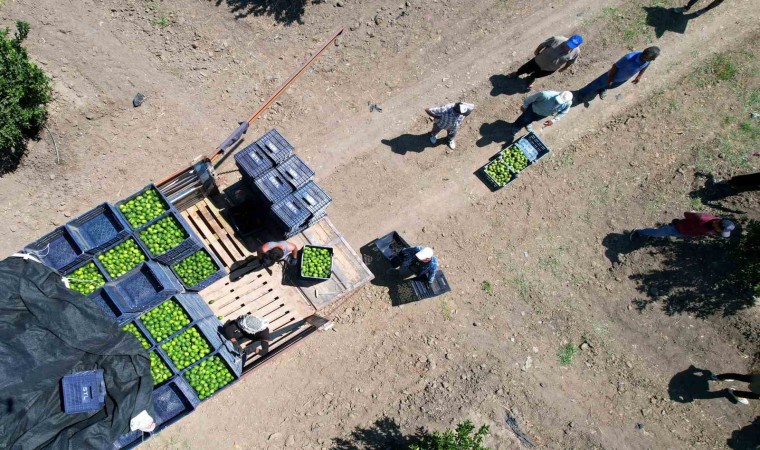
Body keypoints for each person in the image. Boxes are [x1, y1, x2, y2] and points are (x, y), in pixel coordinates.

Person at [578, 46, 660, 103]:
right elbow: (615, 66)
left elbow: (646, 65)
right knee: (596, 84)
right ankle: (582, 93)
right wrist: (610, 79)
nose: (653, 60)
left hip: (622, 79)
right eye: (652, 58)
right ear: (645, 56)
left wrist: (639, 76)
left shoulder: (647, 60)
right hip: (611, 77)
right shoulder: (629, 58)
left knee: (608, 86)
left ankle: (602, 89)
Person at [509, 35, 583, 89]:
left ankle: (531, 78)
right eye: (568, 44)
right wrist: (537, 51)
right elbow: (543, 44)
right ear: (568, 39)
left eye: (571, 46)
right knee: (525, 68)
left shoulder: (576, 52)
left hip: (550, 69)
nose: (568, 47)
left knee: (537, 75)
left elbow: (571, 61)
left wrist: (564, 68)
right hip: (539, 61)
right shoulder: (556, 39)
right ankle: (517, 73)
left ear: (577, 46)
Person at [632, 212, 735, 239]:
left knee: (661, 233)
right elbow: (687, 214)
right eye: (720, 230)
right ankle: (638, 232)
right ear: (717, 223)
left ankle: (653, 233)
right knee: (658, 233)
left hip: (684, 233)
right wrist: (679, 223)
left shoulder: (715, 228)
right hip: (678, 228)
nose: (719, 233)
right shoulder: (701, 218)